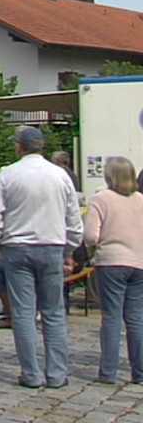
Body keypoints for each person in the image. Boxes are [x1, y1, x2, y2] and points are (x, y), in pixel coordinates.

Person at [0, 126, 82, 389]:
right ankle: (57, 373)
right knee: (53, 312)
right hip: (51, 245)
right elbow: (74, 220)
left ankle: (31, 372)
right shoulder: (60, 176)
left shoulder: (8, 175)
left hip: (17, 246)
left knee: (24, 312)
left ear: (19, 147)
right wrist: (69, 250)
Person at [84, 156, 143, 384]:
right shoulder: (141, 200)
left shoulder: (101, 199)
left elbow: (91, 235)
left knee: (111, 317)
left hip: (112, 261)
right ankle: (139, 371)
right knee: (136, 318)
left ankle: (108, 371)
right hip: (138, 262)